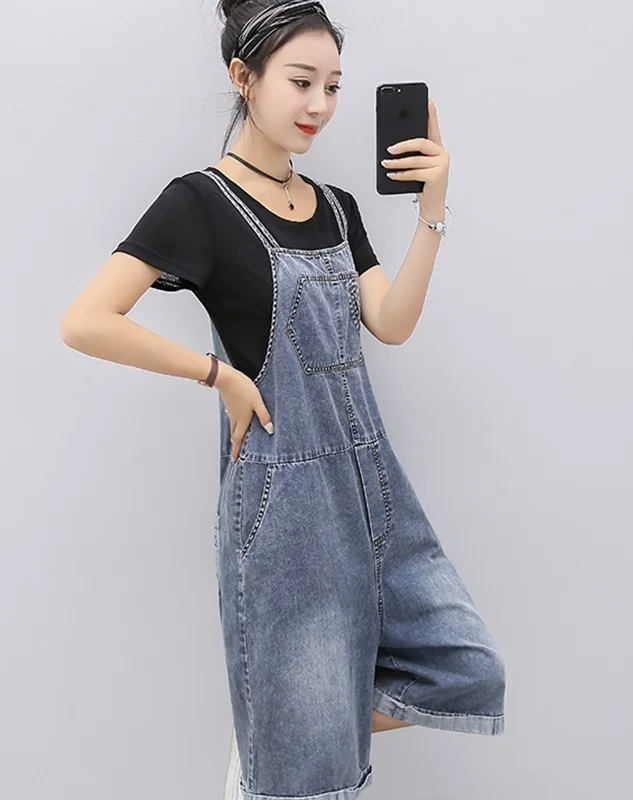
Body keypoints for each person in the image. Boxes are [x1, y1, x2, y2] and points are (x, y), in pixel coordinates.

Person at [60, 1, 506, 798]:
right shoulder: (200, 202)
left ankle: (281, 727)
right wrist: (219, 375)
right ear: (244, 77)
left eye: (333, 86)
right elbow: (87, 321)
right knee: (304, 771)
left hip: (371, 486)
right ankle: (279, 735)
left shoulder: (338, 206)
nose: (320, 106)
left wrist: (432, 209)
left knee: (468, 669)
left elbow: (392, 324)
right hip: (284, 504)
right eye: (301, 82)